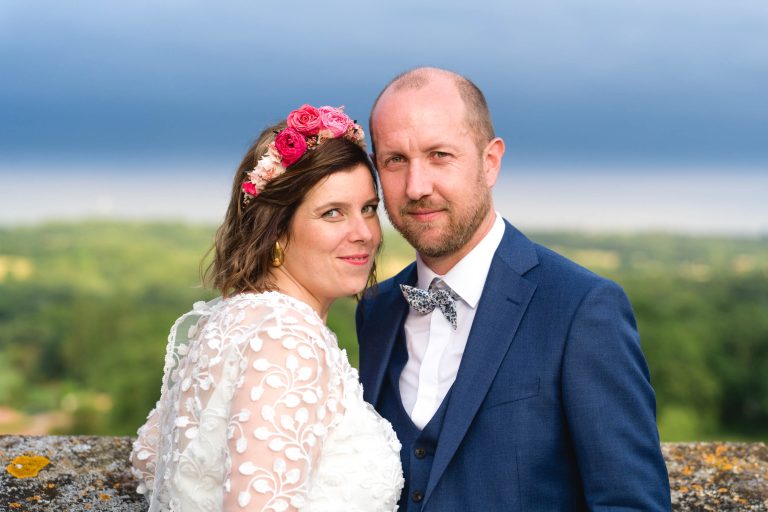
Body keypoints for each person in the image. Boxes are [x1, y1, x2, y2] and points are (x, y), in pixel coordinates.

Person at [356, 67, 671, 511]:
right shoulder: (377, 310)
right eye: (395, 160)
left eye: (440, 155)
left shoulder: (582, 308)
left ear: (490, 162)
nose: (417, 187)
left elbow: (631, 503)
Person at [130, 104, 404, 512]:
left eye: (368, 208)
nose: (364, 233)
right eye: (333, 213)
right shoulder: (288, 343)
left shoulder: (232, 318)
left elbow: (150, 457)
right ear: (276, 231)